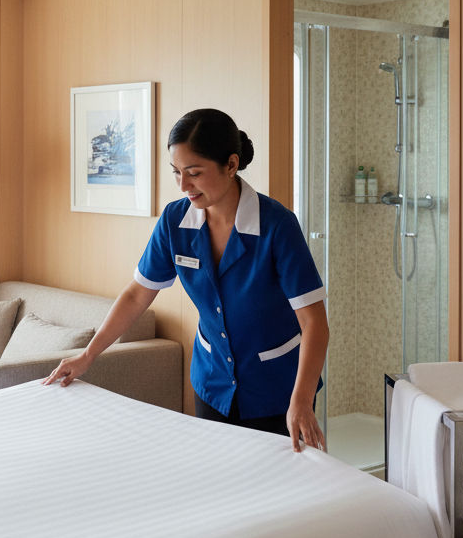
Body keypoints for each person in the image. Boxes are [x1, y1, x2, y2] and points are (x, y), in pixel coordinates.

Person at [44, 108, 329, 452]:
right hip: (212, 385)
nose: (183, 185)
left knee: (281, 495)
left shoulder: (277, 226)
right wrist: (88, 356)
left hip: (279, 391)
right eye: (176, 172)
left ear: (231, 164)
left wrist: (300, 400)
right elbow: (138, 295)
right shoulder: (175, 221)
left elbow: (314, 323)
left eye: (194, 173)